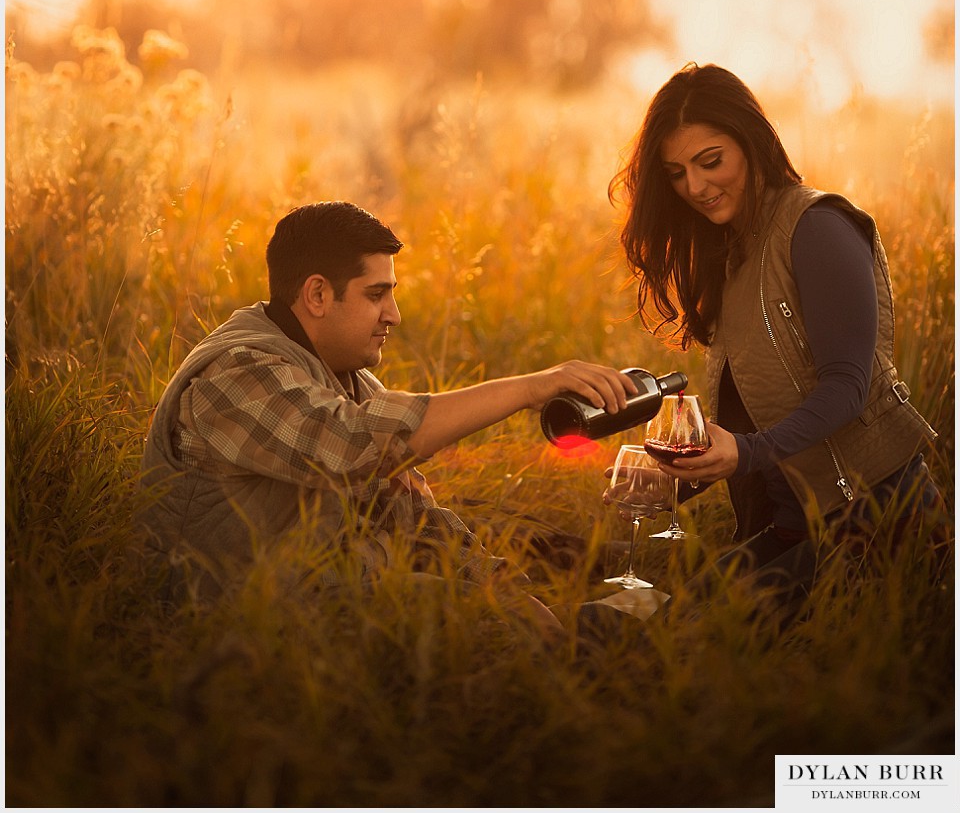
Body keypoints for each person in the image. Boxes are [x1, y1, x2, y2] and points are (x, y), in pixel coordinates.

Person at [140, 200, 638, 624]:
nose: (393, 315)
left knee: (529, 599)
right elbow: (352, 447)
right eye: (376, 295)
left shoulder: (343, 377)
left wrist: (504, 588)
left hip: (322, 595)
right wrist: (532, 388)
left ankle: (628, 595)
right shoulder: (235, 375)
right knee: (485, 627)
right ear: (316, 295)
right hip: (230, 628)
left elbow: (411, 514)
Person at [609, 62, 942, 614]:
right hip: (794, 527)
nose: (694, 186)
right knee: (646, 612)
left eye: (710, 162)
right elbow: (752, 417)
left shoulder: (818, 227)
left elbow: (847, 386)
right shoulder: (731, 250)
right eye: (675, 173)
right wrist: (674, 480)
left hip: (872, 520)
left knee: (689, 631)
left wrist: (744, 454)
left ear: (753, 142)